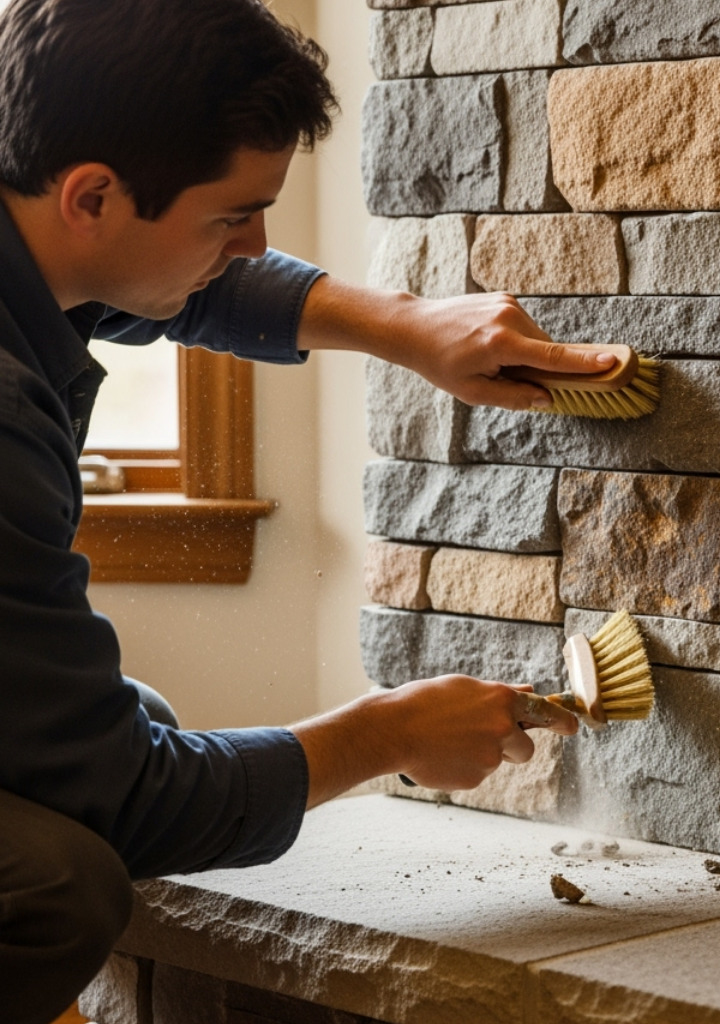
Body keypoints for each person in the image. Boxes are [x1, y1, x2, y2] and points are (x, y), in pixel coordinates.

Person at [0, 2, 591, 1020]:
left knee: (129, 730)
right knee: (55, 885)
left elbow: (165, 281)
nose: (256, 243)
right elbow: (128, 798)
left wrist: (409, 325)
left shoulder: (40, 215)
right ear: (91, 195)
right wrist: (386, 733)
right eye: (232, 217)